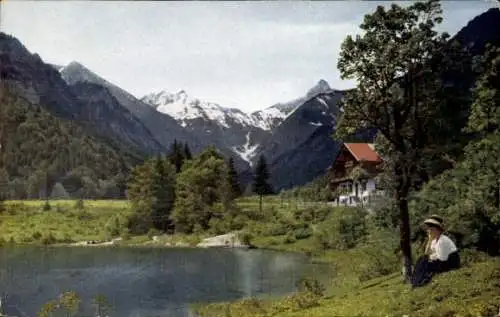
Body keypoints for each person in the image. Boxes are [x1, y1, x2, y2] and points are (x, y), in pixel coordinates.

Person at [411, 215, 460, 288]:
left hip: (451, 262)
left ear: (438, 230)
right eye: (429, 229)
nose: (429, 232)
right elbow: (426, 254)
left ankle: (419, 282)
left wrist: (430, 260)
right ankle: (416, 282)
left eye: (431, 229)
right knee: (421, 260)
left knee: (425, 263)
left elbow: (442, 258)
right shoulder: (434, 241)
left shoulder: (442, 240)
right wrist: (429, 240)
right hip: (442, 261)